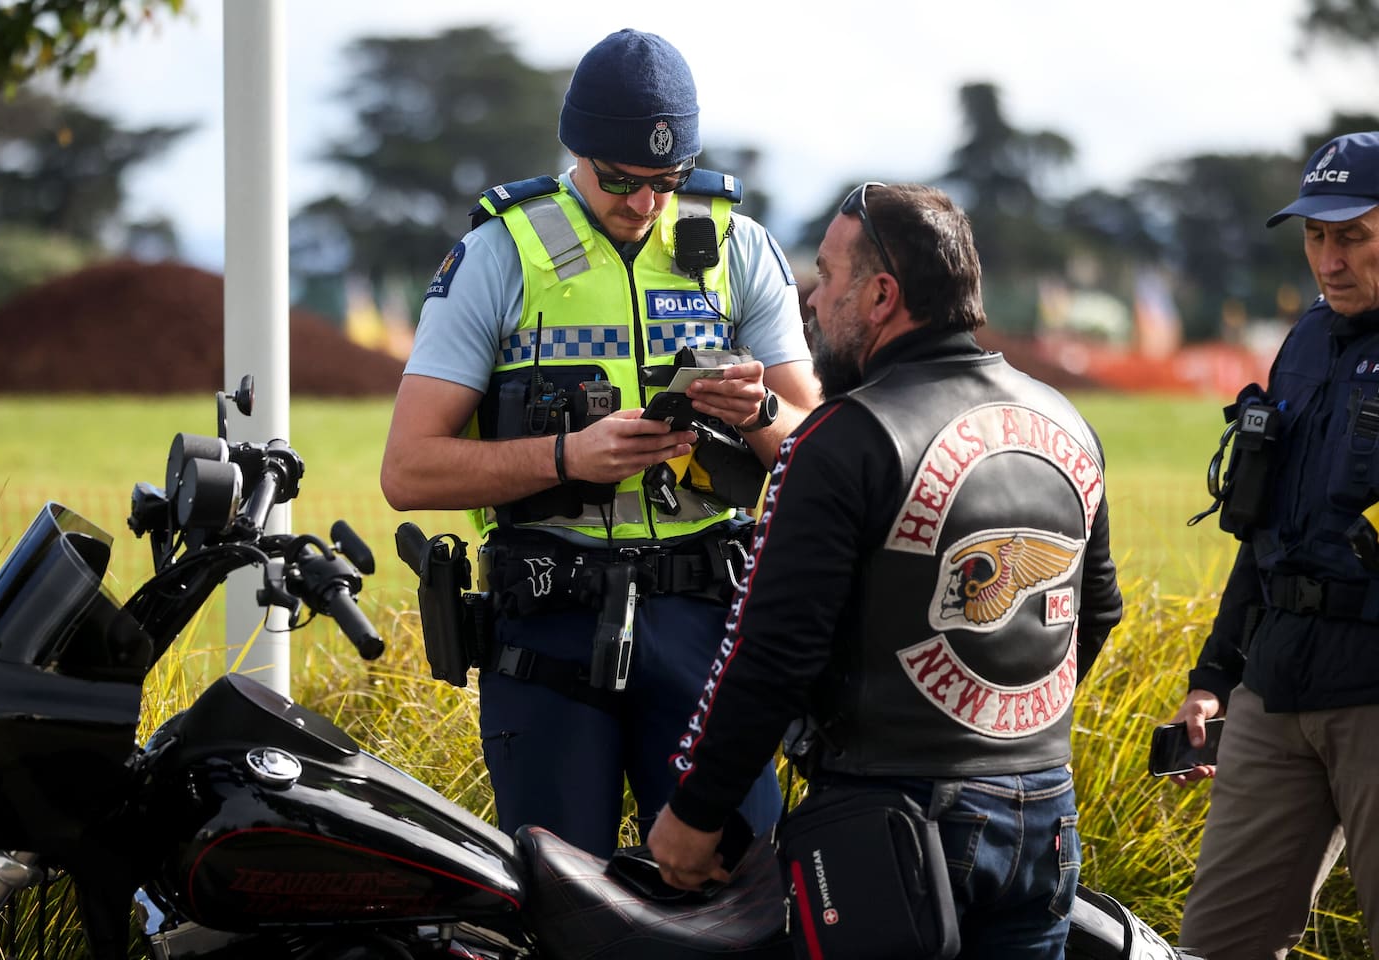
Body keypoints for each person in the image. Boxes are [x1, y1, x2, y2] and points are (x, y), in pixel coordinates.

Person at [648, 181, 1124, 958]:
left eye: (829, 276)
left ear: (880, 295)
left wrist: (696, 815)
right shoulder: (1062, 418)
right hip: (1045, 812)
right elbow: (1094, 613)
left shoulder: (842, 438)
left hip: (892, 821)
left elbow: (772, 651)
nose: (811, 299)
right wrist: (1000, 729)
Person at [380, 28, 821, 858]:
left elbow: (817, 455)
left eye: (667, 181)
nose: (645, 203)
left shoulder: (740, 248)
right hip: (549, 623)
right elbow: (407, 469)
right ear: (574, 148)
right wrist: (563, 459)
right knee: (561, 897)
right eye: (620, 179)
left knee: (739, 890)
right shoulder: (496, 253)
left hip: (704, 618)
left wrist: (760, 410)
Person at [1167, 131, 1379, 960]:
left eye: (1353, 236)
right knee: (1215, 946)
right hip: (1274, 691)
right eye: (1316, 236)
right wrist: (1214, 679)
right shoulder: (1301, 346)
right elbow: (1261, 534)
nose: (1329, 259)